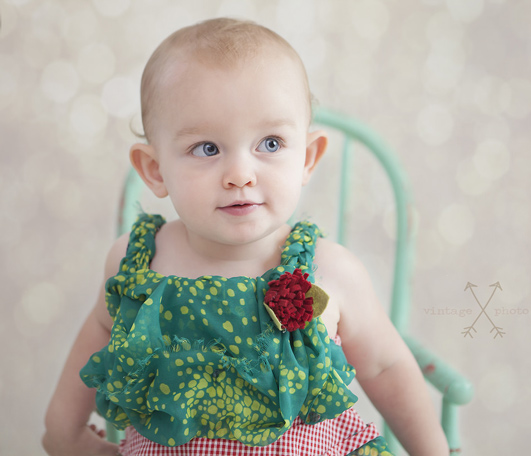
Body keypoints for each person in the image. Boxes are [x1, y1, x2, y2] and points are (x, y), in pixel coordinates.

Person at [43, 18, 449, 456]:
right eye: (207, 148)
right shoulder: (136, 264)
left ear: (307, 158)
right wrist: (63, 433)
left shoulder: (330, 272)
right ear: (155, 170)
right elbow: (95, 339)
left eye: (270, 144)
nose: (240, 175)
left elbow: (386, 366)